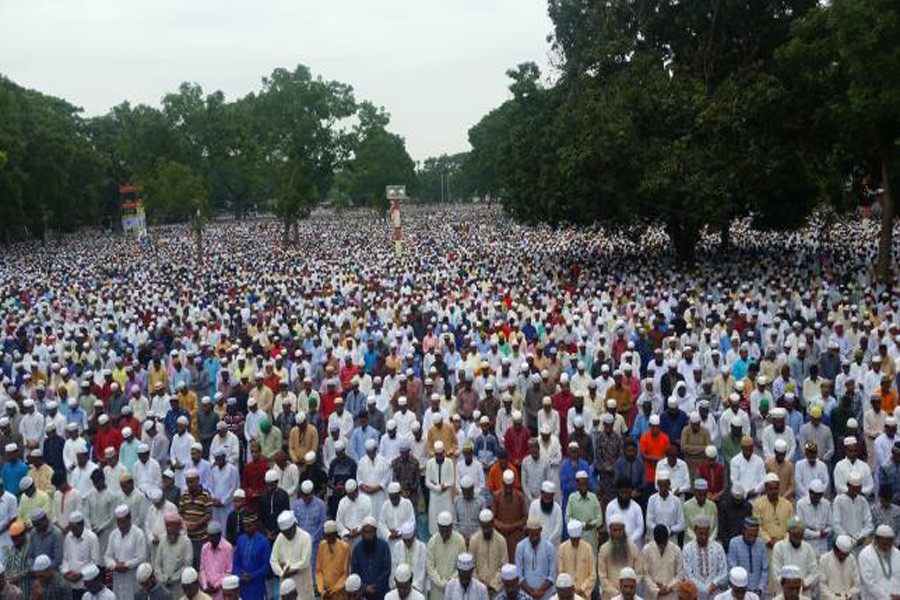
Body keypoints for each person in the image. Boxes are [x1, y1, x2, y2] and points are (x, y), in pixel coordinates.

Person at [104, 504, 147, 598]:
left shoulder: (138, 534)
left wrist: (126, 565)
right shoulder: (114, 534)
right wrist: (115, 565)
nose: (120, 526)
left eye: (123, 522)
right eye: (118, 523)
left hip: (133, 578)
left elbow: (141, 557)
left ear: (129, 519)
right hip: (117, 578)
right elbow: (107, 556)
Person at [270, 511, 313, 600]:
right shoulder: (280, 537)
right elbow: (273, 560)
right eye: (284, 532)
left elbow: (305, 562)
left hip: (302, 585)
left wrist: (287, 569)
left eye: (289, 532)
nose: (287, 535)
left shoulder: (305, 537)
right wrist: (282, 573)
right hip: (285, 587)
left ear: (294, 525)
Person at [682, 516, 728, 600]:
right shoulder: (687, 549)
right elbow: (687, 574)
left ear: (709, 532)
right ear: (695, 531)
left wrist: (714, 584)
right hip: (695, 593)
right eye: (701, 533)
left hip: (715, 592)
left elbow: (724, 572)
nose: (704, 537)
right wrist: (702, 588)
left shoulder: (718, 547)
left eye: (706, 534)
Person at [598, 516, 642, 599]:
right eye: (615, 530)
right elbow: (602, 576)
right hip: (609, 595)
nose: (617, 533)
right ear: (610, 530)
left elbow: (639, 573)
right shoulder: (604, 549)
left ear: (624, 529)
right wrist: (616, 593)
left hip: (629, 595)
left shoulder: (633, 547)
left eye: (620, 530)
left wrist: (627, 589)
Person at [772, 518, 818, 595]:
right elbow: (777, 574)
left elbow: (814, 573)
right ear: (789, 532)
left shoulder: (808, 548)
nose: (798, 535)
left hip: (804, 593)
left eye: (800, 532)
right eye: (795, 533)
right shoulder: (779, 547)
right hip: (784, 594)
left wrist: (804, 583)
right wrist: (791, 585)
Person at [426, 511, 466, 600]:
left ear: (451, 527)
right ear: (438, 527)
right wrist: (440, 582)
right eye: (442, 530)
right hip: (436, 588)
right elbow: (430, 566)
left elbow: (462, 566)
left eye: (447, 530)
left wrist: (450, 581)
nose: (444, 533)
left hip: (455, 585)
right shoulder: (432, 541)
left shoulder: (460, 541)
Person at [515, 518, 557, 600]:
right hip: (525, 594)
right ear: (528, 531)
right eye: (532, 535)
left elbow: (552, 574)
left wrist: (540, 592)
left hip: (545, 594)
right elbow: (519, 574)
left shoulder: (549, 547)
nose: (534, 538)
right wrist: (531, 593)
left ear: (541, 530)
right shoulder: (520, 547)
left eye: (537, 534)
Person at [230, 514, 270, 600]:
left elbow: (265, 568)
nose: (246, 529)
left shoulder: (264, 542)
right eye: (245, 526)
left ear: (256, 524)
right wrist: (240, 575)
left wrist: (251, 576)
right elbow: (235, 563)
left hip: (257, 586)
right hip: (242, 586)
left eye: (249, 526)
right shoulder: (240, 539)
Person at [154, 513, 194, 597]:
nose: (169, 529)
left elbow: (187, 565)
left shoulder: (186, 542)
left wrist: (173, 578)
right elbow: (157, 563)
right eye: (167, 526)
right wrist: (163, 578)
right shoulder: (163, 540)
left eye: (172, 526)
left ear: (179, 527)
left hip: (179, 585)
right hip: (163, 585)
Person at [60, 511, 99, 596]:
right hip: (71, 584)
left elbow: (95, 562)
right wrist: (66, 572)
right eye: (70, 528)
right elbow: (66, 558)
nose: (72, 531)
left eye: (74, 528)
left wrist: (81, 574)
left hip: (87, 585)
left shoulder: (92, 538)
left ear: (81, 525)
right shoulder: (68, 537)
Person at [858, 525, 900, 599]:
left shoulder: (897, 553)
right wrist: (888, 598)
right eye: (884, 544)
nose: (887, 547)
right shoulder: (865, 555)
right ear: (876, 540)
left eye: (889, 544)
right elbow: (869, 583)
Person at [641, 524, 682, 600]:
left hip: (671, 592)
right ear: (655, 539)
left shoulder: (676, 550)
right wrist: (656, 590)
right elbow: (645, 574)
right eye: (659, 544)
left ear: (668, 539)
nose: (662, 546)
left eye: (664, 543)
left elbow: (680, 573)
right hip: (652, 593)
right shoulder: (646, 550)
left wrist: (668, 587)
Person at [557, 520, 595, 600]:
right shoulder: (562, 548)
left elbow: (592, 574)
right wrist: (568, 588)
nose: (575, 542)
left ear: (580, 536)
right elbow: (561, 572)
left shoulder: (587, 548)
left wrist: (582, 589)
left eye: (577, 539)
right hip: (566, 594)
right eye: (572, 539)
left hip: (584, 594)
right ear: (569, 537)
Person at [817, 535, 860, 600]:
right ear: (835, 550)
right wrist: (835, 598)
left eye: (847, 555)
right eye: (843, 555)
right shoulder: (824, 559)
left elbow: (857, 583)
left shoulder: (851, 559)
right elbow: (822, 585)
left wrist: (849, 595)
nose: (845, 557)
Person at [316, 520, 350, 599]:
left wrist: (333, 590)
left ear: (335, 534)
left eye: (331, 535)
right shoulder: (322, 545)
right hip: (325, 593)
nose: (329, 538)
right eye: (327, 536)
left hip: (339, 593)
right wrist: (321, 590)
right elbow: (318, 571)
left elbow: (345, 574)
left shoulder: (344, 547)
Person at [199, 522, 232, 600]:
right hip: (207, 591)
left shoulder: (228, 548)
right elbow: (202, 569)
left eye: (213, 537)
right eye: (209, 536)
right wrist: (205, 586)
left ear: (220, 534)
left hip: (221, 591)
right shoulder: (205, 548)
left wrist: (217, 585)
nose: (211, 539)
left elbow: (229, 572)